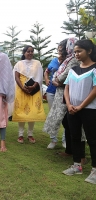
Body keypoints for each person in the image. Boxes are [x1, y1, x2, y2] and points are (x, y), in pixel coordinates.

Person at [43, 38, 86, 162]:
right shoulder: (68, 60)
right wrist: (57, 79)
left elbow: (60, 78)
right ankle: (70, 151)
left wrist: (57, 80)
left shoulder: (73, 61)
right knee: (67, 124)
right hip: (63, 96)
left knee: (75, 125)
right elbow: (56, 77)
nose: (61, 51)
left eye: (62, 48)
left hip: (71, 97)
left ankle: (80, 155)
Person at [62, 39, 96, 184]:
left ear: (89, 51)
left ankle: (94, 171)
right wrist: (69, 105)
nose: (76, 54)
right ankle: (77, 166)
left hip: (89, 110)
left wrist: (81, 106)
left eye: (79, 51)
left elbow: (95, 90)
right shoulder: (73, 70)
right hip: (72, 109)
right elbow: (67, 88)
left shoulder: (94, 69)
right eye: (75, 52)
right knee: (75, 137)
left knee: (93, 140)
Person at [12, 45, 46, 144]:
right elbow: (17, 77)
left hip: (33, 91)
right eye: (28, 51)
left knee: (33, 112)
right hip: (21, 90)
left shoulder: (37, 63)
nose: (30, 53)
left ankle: (30, 134)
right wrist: (22, 88)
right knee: (21, 112)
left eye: (32, 51)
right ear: (24, 53)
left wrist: (33, 86)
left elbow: (39, 77)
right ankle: (20, 135)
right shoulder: (19, 64)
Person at [44, 39, 68, 149]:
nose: (59, 52)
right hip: (51, 91)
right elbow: (47, 71)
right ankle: (53, 140)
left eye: (61, 49)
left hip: (64, 92)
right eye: (58, 49)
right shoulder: (54, 60)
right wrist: (46, 79)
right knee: (52, 115)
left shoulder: (69, 61)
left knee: (64, 117)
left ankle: (65, 140)